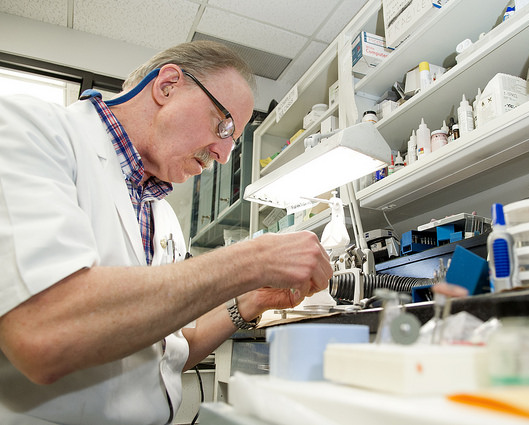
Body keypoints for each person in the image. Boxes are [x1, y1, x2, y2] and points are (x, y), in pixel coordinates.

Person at [0, 40, 333, 425]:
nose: (224, 155)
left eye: (233, 139)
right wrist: (253, 259)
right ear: (168, 86)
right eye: (223, 125)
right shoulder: (31, 130)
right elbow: (43, 331)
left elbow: (167, 354)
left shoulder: (161, 216)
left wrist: (249, 304)